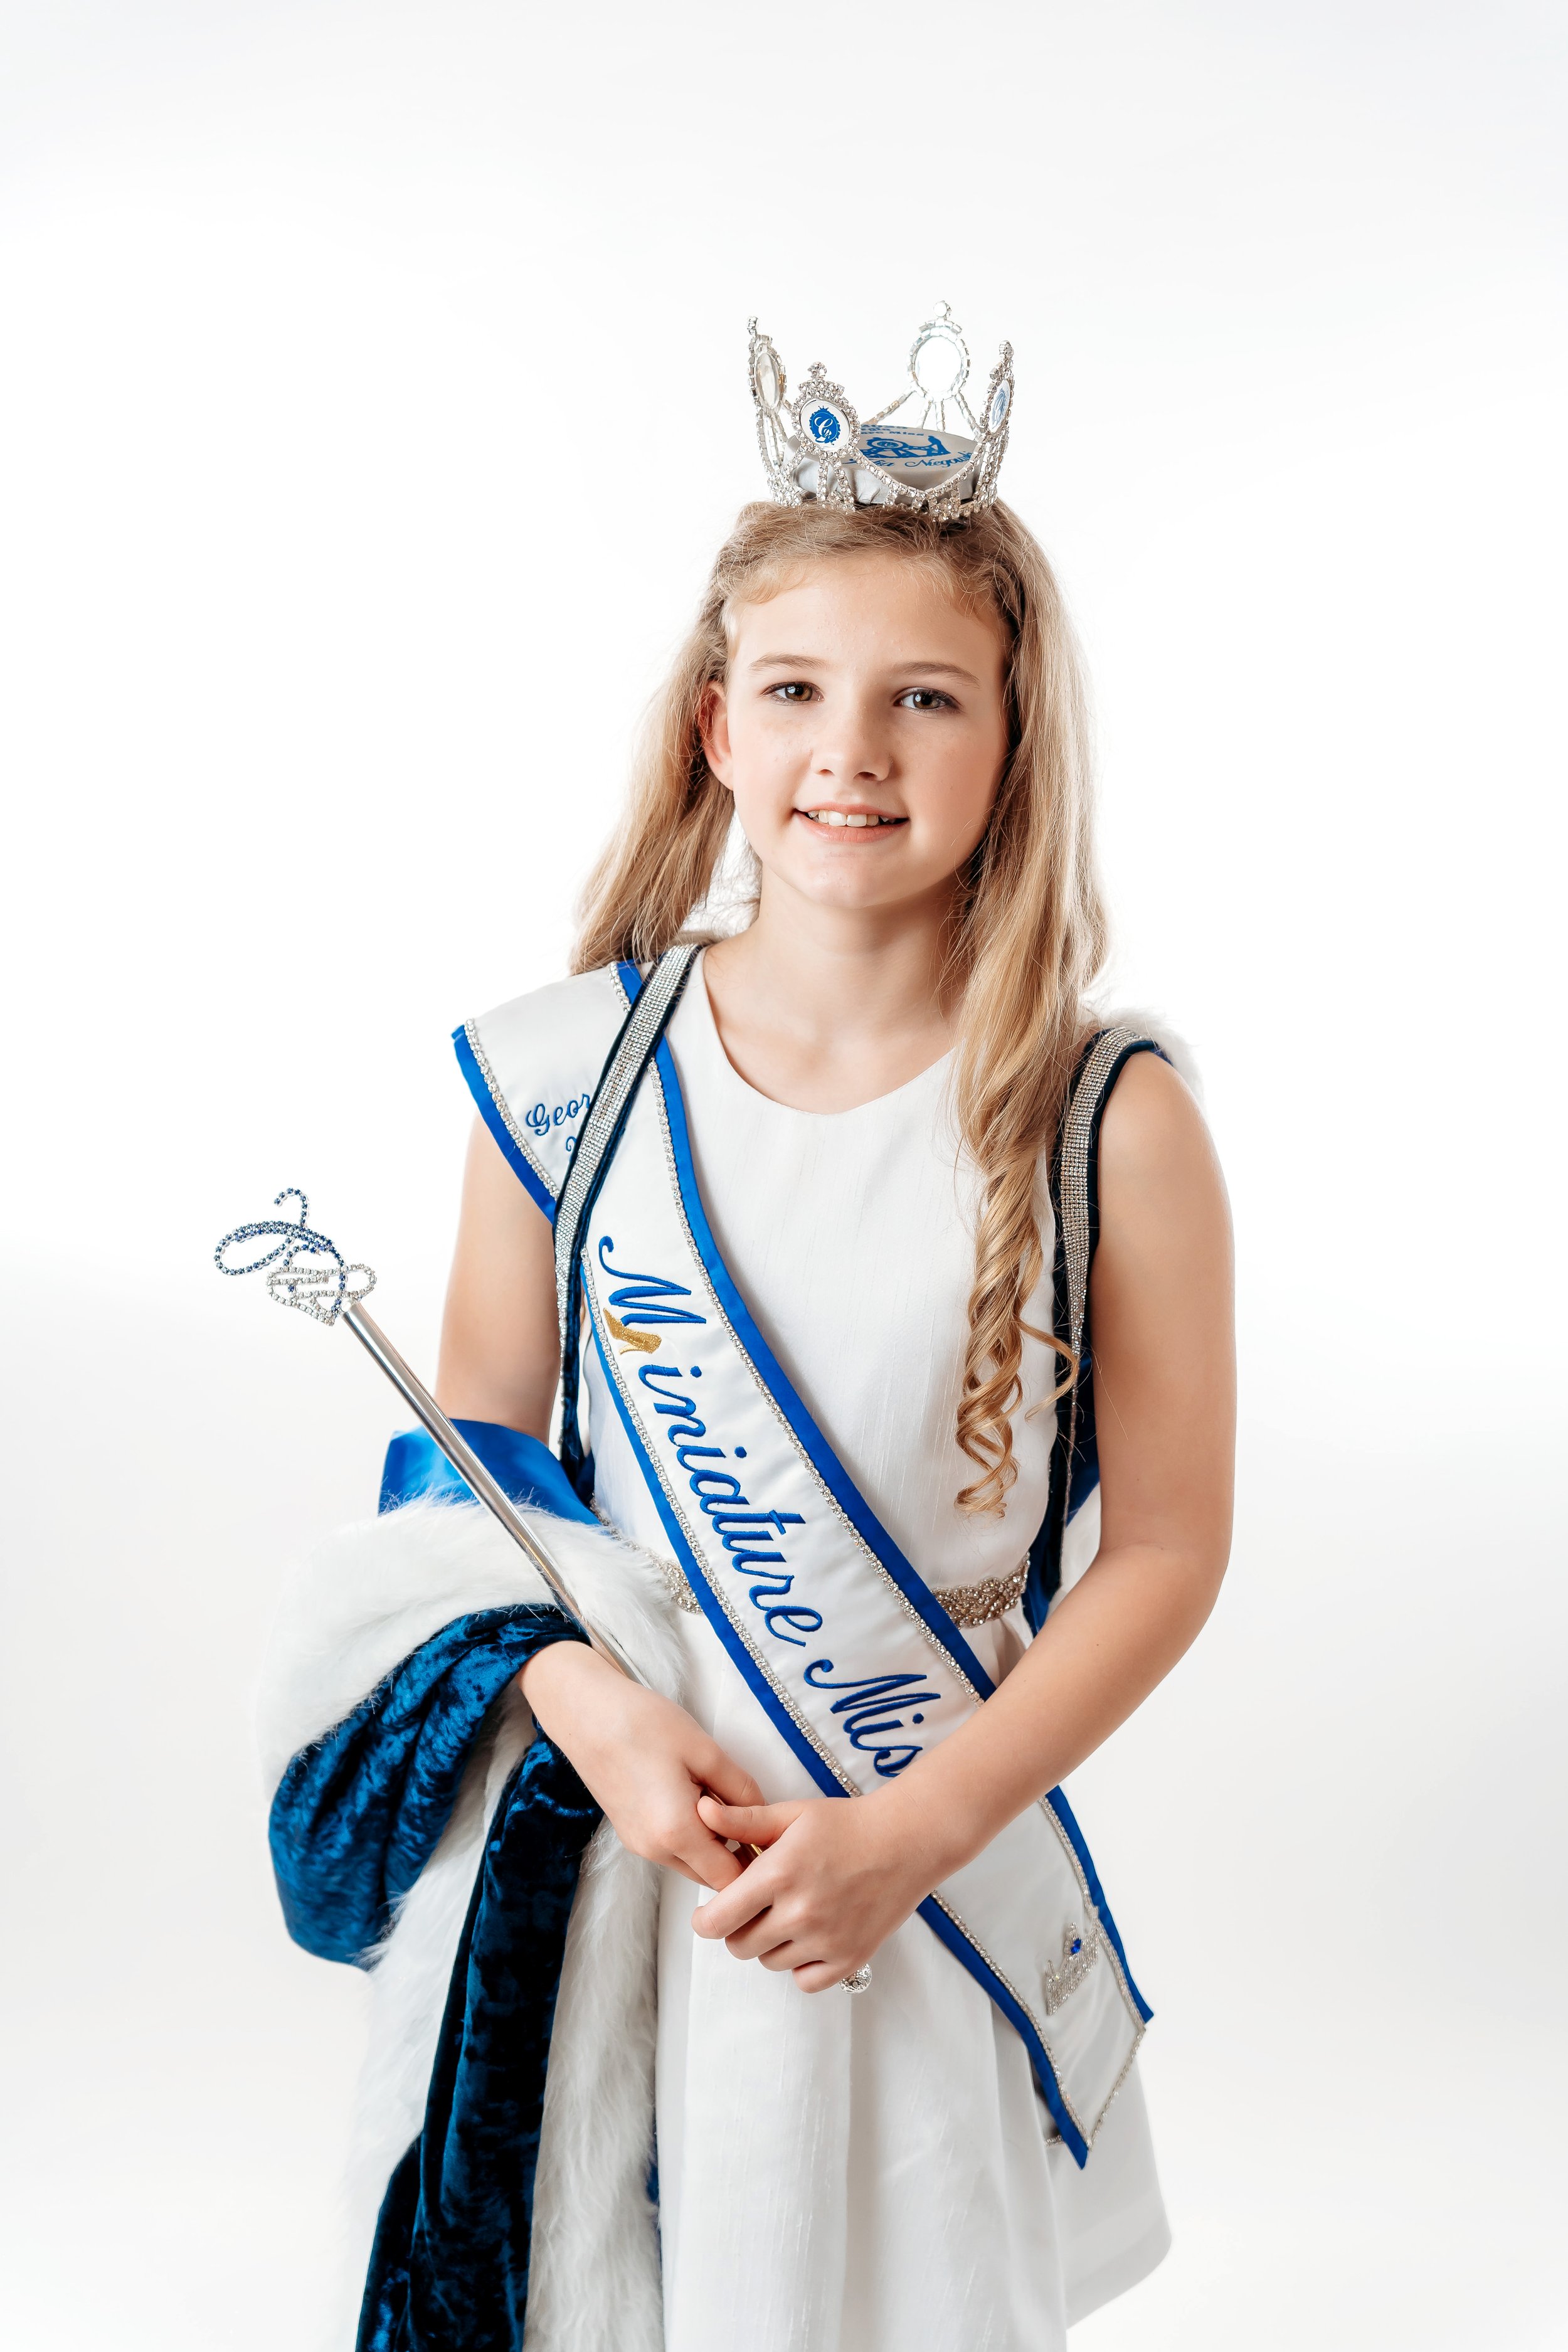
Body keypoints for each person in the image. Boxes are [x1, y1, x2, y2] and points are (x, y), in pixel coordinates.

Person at [257, 312, 1234, 2352]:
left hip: (911, 1860)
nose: (847, 755)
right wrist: (584, 1713)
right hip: (623, 1849)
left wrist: (911, 1831)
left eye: (923, 699)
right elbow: (474, 1467)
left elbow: (1161, 1548)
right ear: (717, 727)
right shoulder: (558, 1081)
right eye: (793, 690)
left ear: (1013, 739)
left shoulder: (1102, 1114)